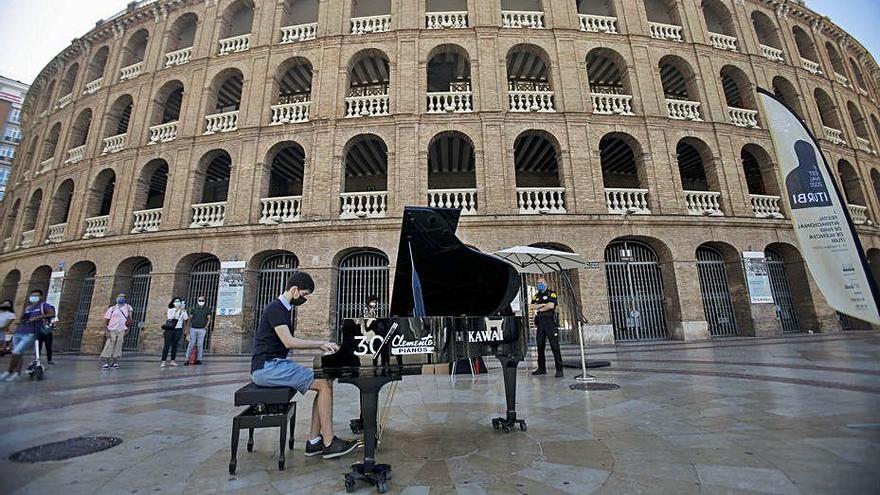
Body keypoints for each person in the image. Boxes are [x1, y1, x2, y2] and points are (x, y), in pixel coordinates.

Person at [251, 271, 359, 459]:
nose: (305, 299)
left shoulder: (282, 309)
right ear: (294, 289)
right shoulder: (276, 309)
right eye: (304, 295)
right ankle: (329, 442)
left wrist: (321, 345)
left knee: (324, 382)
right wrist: (320, 343)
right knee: (323, 384)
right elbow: (289, 342)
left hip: (274, 365)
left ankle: (314, 442)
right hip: (267, 367)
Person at [1, 290, 55, 381]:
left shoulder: (43, 305)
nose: (33, 297)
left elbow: (52, 314)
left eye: (36, 295)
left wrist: (37, 317)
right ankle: (17, 374)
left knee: (16, 352)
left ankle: (9, 372)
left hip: (31, 333)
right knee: (19, 354)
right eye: (32, 295)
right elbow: (25, 319)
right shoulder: (29, 308)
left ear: (40, 297)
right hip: (20, 332)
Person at [531, 277, 563, 378]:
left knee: (555, 346)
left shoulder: (551, 293)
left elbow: (551, 306)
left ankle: (559, 369)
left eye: (541, 282)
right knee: (540, 346)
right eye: (538, 283)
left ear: (546, 283)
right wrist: (544, 304)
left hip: (550, 322)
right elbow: (530, 306)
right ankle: (541, 368)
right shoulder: (536, 295)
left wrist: (539, 308)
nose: (539, 284)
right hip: (540, 323)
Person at [101, 293, 133, 370]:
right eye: (119, 297)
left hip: (122, 329)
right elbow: (105, 320)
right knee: (109, 344)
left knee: (118, 345)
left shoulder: (128, 308)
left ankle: (115, 362)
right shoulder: (112, 309)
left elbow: (129, 320)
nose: (121, 298)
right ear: (116, 298)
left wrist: (128, 329)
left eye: (122, 297)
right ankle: (106, 362)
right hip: (112, 329)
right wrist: (106, 332)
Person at [184, 295, 211, 365]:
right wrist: (187, 328)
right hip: (193, 328)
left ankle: (199, 359)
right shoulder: (194, 309)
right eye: (199, 300)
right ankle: (187, 359)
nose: (201, 302)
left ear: (204, 301)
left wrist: (206, 327)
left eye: (202, 300)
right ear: (197, 301)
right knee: (191, 344)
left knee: (200, 344)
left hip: (202, 329)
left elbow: (209, 319)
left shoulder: (207, 309)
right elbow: (190, 318)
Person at [161, 297, 188, 367]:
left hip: (178, 329)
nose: (177, 303)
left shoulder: (182, 310)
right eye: (176, 301)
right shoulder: (170, 310)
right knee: (167, 345)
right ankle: (163, 361)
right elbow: (171, 317)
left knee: (175, 345)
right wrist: (177, 310)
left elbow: (185, 318)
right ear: (173, 303)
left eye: (179, 301)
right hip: (170, 329)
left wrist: (183, 311)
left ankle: (172, 360)